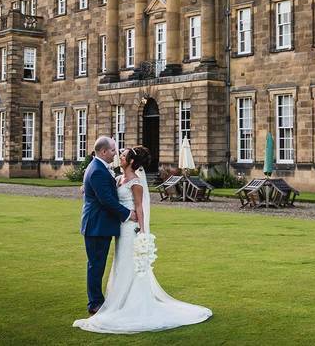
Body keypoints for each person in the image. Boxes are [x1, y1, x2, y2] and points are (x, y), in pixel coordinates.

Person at [74, 145, 212, 334]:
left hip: (131, 228)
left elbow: (140, 208)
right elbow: (103, 191)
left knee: (129, 265)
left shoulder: (136, 182)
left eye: (122, 156)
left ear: (131, 161)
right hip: (119, 228)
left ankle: (131, 302)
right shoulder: (118, 178)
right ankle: (118, 300)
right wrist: (86, 186)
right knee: (120, 264)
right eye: (119, 154)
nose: (119, 157)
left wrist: (143, 232)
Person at [79, 136, 137, 315]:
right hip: (97, 226)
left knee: (97, 264)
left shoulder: (99, 167)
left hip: (100, 225)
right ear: (103, 152)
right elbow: (107, 200)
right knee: (96, 265)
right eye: (113, 150)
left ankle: (97, 300)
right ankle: (95, 303)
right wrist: (128, 214)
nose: (115, 153)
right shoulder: (97, 170)